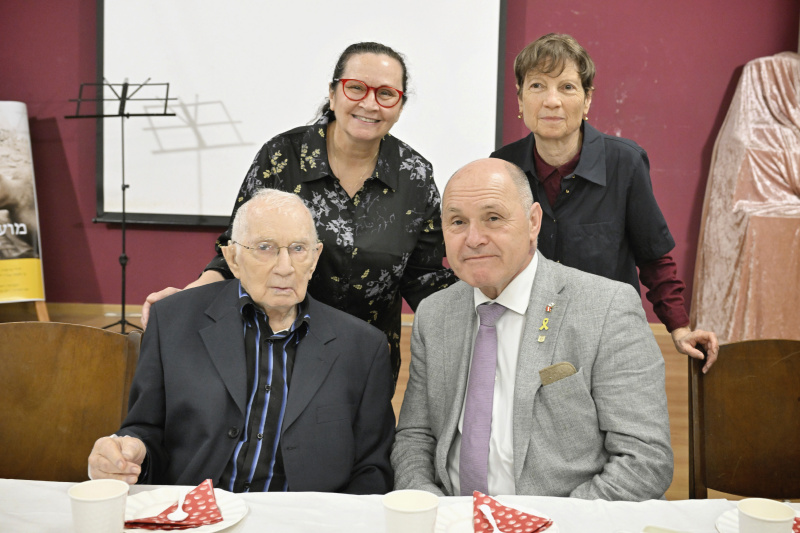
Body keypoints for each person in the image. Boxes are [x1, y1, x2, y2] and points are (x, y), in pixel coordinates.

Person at [142, 42, 456, 382]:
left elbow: (424, 277)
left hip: (364, 360)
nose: (369, 103)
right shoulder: (282, 156)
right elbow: (236, 250)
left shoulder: (415, 174)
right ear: (333, 94)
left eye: (386, 94)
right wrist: (189, 296)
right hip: (275, 349)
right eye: (355, 88)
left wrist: (481, 313)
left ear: (400, 106)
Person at [391, 158, 673, 500]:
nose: (473, 239)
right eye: (458, 222)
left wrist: (544, 523)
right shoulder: (434, 314)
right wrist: (430, 507)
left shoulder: (606, 308)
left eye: (493, 218)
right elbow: (414, 439)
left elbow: (644, 460)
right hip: (452, 515)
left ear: (533, 222)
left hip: (564, 518)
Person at [89, 189, 395, 494]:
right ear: (232, 258)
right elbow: (145, 429)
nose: (285, 267)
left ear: (315, 258)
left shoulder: (363, 347)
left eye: (298, 249)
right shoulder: (173, 320)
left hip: (303, 516)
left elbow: (372, 468)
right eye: (265, 247)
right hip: (195, 512)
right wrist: (130, 453)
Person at [490, 33, 718, 372]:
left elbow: (652, 255)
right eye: (537, 86)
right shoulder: (501, 167)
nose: (551, 101)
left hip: (609, 340)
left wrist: (680, 328)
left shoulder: (625, 162)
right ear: (520, 99)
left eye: (567, 87)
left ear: (587, 101)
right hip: (528, 339)